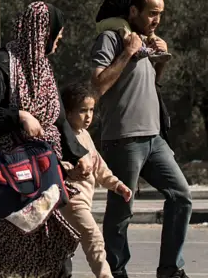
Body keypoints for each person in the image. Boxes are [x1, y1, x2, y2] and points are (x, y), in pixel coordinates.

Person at [0, 1, 83, 277]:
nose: (61, 38)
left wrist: (75, 155)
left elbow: (58, 117)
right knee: (9, 231)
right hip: (4, 170)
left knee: (51, 234)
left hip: (40, 166)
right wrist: (19, 115)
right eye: (58, 32)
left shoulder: (43, 70)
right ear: (42, 33)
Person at [91, 0, 192, 278]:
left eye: (160, 15)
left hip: (154, 137)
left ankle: (171, 269)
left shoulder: (146, 41)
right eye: (152, 14)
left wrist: (158, 62)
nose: (157, 20)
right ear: (133, 11)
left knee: (182, 196)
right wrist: (128, 53)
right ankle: (116, 271)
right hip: (123, 139)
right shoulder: (111, 39)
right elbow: (97, 86)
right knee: (122, 210)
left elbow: (148, 85)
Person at [59, 82, 132, 278]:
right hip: (70, 200)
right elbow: (55, 164)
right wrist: (69, 169)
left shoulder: (84, 135)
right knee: (94, 237)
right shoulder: (62, 137)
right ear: (68, 112)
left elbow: (99, 166)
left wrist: (117, 185)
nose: (88, 116)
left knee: (61, 250)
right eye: (83, 110)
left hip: (84, 200)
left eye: (91, 110)